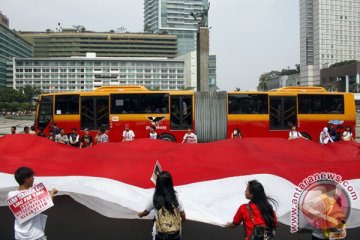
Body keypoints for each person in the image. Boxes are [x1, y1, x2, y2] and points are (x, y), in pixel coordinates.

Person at [8, 167, 57, 240]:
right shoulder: (33, 193)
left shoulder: (11, 195)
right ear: (27, 180)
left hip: (20, 236)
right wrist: (51, 193)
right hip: (36, 236)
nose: (33, 179)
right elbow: (45, 204)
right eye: (32, 177)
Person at [138, 171, 186, 240]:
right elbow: (182, 214)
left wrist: (140, 215)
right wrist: (183, 220)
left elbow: (146, 212)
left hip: (161, 234)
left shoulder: (154, 197)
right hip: (175, 234)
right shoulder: (175, 196)